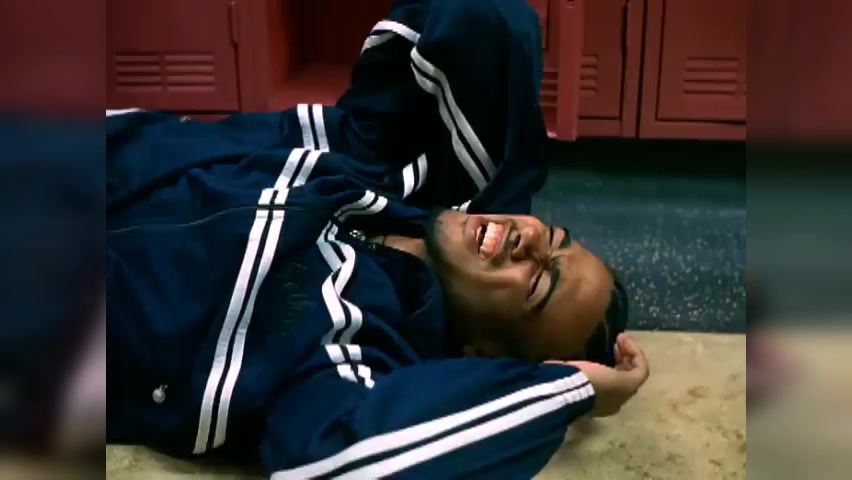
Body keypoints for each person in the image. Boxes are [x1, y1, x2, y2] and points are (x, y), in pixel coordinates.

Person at [106, 0, 649, 478]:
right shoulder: (385, 166)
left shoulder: (344, 347)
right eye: (553, 236)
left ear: (483, 355)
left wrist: (567, 390)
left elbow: (357, 464)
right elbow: (481, 17)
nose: (525, 238)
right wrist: (509, 188)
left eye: (537, 283)